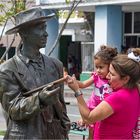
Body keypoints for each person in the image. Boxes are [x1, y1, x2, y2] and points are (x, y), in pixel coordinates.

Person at [0, 8, 70, 139]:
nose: (46, 34)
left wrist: (65, 127)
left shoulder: (55, 65)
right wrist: (40, 99)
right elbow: (13, 109)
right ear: (24, 33)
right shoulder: (7, 70)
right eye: (40, 29)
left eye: (45, 28)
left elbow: (60, 104)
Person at [66, 53, 140, 139]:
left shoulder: (118, 97)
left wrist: (77, 91)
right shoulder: (135, 90)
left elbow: (88, 118)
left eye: (112, 74)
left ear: (126, 79)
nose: (107, 76)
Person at [76, 45, 118, 140]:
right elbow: (83, 84)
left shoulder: (114, 80)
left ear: (111, 65)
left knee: (101, 134)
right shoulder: (96, 76)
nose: (98, 70)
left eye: (101, 67)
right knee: (91, 134)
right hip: (93, 109)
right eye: (96, 67)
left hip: (104, 111)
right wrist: (74, 82)